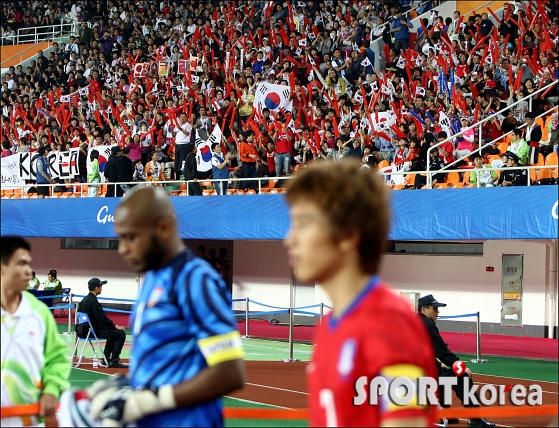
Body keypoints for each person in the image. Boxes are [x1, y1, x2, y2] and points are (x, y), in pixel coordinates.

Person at [284, 161, 436, 426]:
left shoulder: (390, 323)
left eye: (303, 223)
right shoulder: (329, 324)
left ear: (347, 235)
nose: (289, 239)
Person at [87, 187, 245, 427]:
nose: (123, 249)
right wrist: (125, 386)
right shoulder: (152, 279)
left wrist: (153, 400)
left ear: (163, 228)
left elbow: (230, 372)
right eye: (121, 238)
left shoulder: (195, 280)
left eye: (131, 237)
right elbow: (163, 367)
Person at [1, 236, 70, 426]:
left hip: (30, 419)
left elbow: (56, 357)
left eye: (29, 264)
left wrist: (51, 390)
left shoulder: (39, 312)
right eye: (21, 263)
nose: (29, 271)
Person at [418, 294, 495, 427]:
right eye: (434, 308)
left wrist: (436, 363)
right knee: (462, 377)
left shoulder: (414, 322)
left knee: (443, 373)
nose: (438, 312)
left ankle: (446, 414)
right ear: (423, 309)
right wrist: (459, 366)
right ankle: (475, 419)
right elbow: (441, 350)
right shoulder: (428, 324)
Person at [77, 278, 128, 368]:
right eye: (100, 286)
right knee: (120, 334)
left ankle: (106, 358)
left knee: (112, 332)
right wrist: (115, 326)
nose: (101, 288)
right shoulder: (93, 302)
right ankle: (114, 359)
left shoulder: (84, 300)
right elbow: (102, 319)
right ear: (96, 288)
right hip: (93, 331)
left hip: (83, 330)